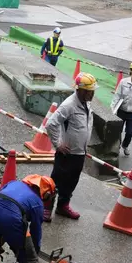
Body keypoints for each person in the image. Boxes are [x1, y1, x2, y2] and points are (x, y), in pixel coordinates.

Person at [43, 72, 97, 221]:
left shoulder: (86, 103)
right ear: (80, 90)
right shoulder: (69, 105)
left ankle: (63, 206)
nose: (92, 94)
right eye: (89, 91)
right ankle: (47, 208)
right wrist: (58, 144)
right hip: (66, 153)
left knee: (72, 181)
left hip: (79, 153)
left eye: (93, 91)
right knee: (56, 182)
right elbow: (51, 124)